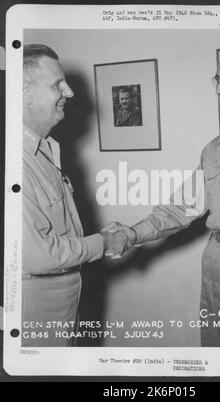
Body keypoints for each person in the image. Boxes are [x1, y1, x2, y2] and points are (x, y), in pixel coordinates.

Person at [105, 43, 220, 347]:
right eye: (217, 79)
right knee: (214, 359)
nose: (218, 89)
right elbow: (180, 208)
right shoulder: (214, 148)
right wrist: (132, 234)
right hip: (214, 263)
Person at [22, 44, 124, 346]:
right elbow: (39, 257)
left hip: (63, 309)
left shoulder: (46, 151)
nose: (69, 92)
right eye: (57, 84)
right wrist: (102, 243)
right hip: (35, 318)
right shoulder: (16, 160)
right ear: (24, 91)